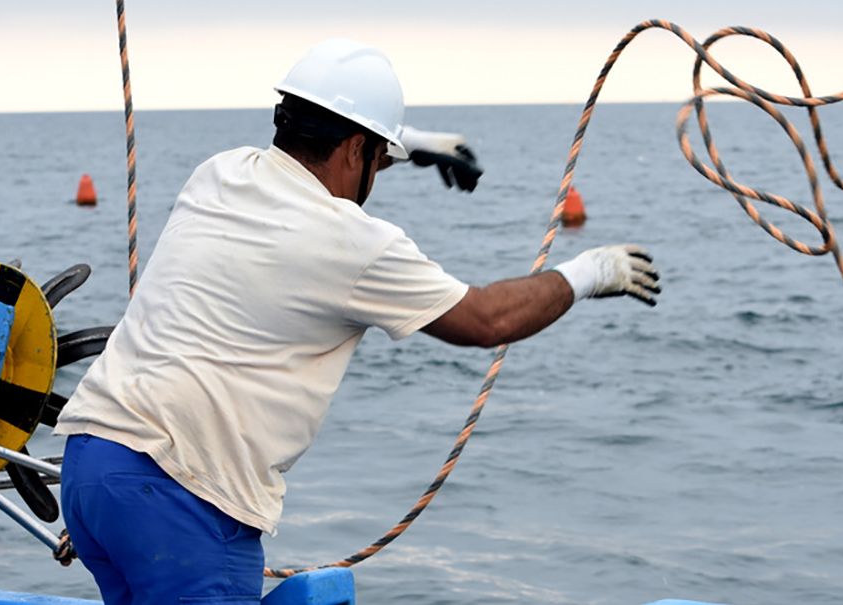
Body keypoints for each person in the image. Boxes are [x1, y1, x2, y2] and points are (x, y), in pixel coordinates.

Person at [53, 38, 661, 604]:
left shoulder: (218, 172)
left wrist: (403, 142)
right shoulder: (354, 244)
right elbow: (486, 318)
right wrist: (588, 272)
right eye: (377, 154)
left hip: (91, 470)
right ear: (355, 150)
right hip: (183, 495)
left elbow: (316, 160)